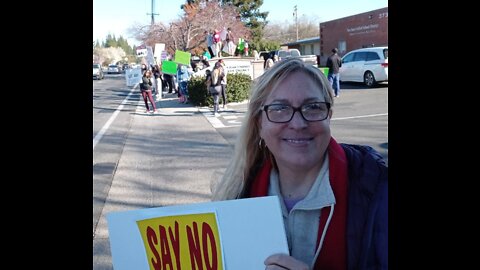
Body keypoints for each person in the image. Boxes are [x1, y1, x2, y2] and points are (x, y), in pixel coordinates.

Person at [211, 58, 387, 269]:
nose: (298, 123)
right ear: (259, 123)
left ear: (328, 116)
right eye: (280, 108)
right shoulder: (237, 194)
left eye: (313, 107)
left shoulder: (378, 191)